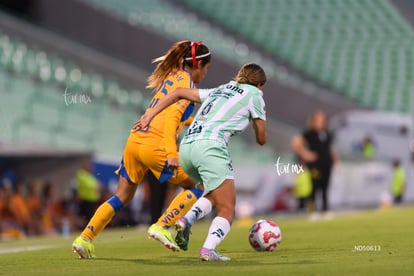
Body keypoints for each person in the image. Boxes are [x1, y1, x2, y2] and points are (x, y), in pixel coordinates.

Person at [71, 40, 211, 258]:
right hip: (155, 144)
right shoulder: (189, 89)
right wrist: (172, 154)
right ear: (199, 66)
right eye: (206, 69)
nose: (205, 74)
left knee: (122, 196)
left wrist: (190, 120)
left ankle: (85, 239)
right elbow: (169, 121)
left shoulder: (172, 76)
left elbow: (167, 114)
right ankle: (162, 225)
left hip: (135, 140)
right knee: (200, 185)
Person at [136, 63, 267, 261]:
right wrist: (255, 121)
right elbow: (261, 139)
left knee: (212, 193)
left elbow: (179, 92)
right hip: (210, 147)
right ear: (259, 85)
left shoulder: (221, 89)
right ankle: (208, 249)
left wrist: (150, 114)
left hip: (187, 147)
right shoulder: (255, 95)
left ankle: (187, 220)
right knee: (227, 207)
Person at [291, 111, 338, 220]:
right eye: (317, 120)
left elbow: (331, 149)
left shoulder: (327, 133)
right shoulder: (308, 133)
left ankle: (325, 210)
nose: (319, 122)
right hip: (315, 165)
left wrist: (336, 162)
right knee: (314, 187)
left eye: (321, 120)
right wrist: (306, 154)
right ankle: (312, 211)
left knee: (325, 187)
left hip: (327, 163)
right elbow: (296, 143)